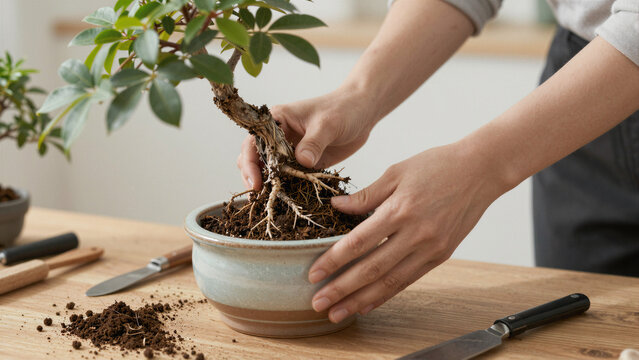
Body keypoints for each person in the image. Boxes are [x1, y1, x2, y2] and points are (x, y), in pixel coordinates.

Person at [237, 0, 639, 324]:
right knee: (589, 323)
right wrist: (360, 95)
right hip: (581, 83)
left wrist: (482, 166)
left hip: (602, 83)